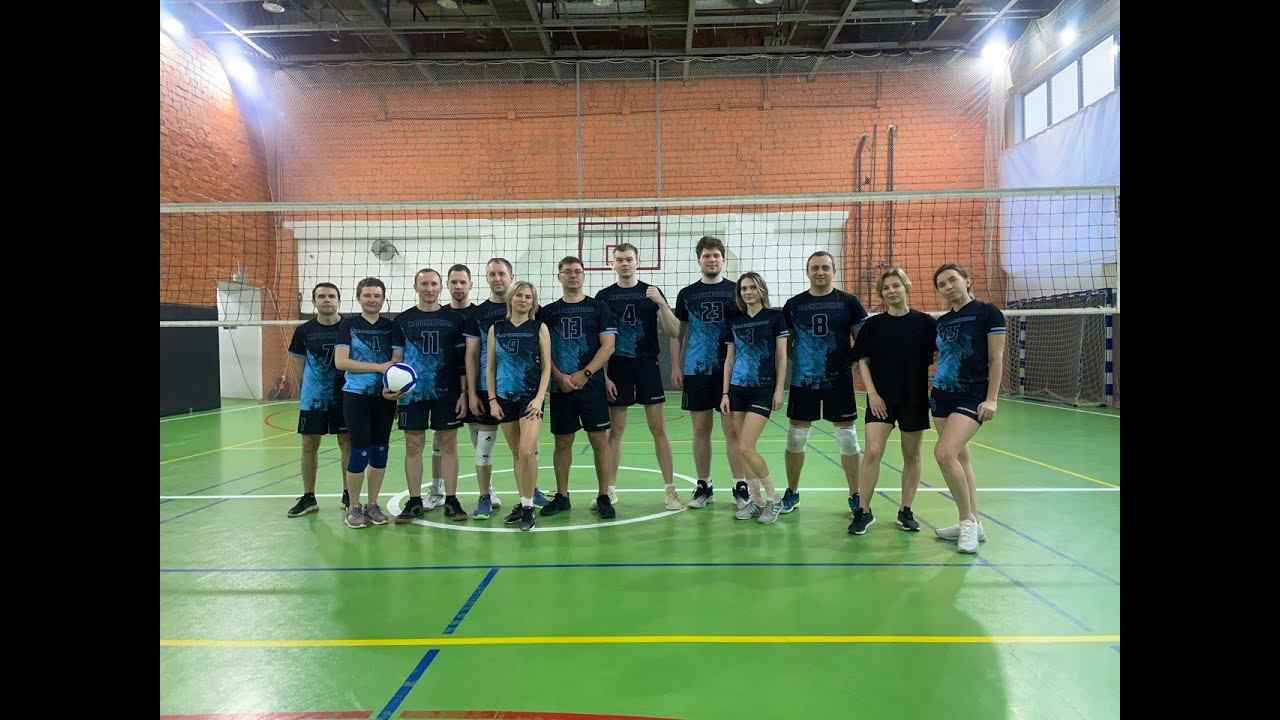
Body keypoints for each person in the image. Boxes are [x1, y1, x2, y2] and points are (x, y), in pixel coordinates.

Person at [847, 269, 937, 535]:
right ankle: (863, 510)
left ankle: (905, 510)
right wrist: (873, 394)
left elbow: (940, 355)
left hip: (914, 398)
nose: (891, 291)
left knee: (912, 455)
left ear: (906, 287)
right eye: (886, 288)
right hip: (881, 399)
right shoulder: (873, 325)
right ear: (881, 294)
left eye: (896, 285)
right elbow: (862, 361)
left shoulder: (925, 323)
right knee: (873, 451)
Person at [780, 251, 869, 517]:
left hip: (838, 380)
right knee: (796, 437)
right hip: (803, 380)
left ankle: (855, 494)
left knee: (848, 439)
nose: (820, 272)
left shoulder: (848, 302)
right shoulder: (794, 304)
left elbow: (862, 341)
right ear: (807, 272)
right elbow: (785, 345)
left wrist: (850, 365)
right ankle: (792, 492)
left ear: (834, 271)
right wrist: (801, 363)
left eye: (825, 268)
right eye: (815, 268)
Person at [597, 243, 683, 511]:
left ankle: (670, 490)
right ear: (612, 263)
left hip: (647, 365)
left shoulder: (651, 292)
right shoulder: (604, 296)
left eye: (629, 259)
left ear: (637, 262)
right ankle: (609, 491)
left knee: (658, 429)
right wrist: (604, 376)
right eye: (620, 259)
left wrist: (661, 303)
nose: (625, 263)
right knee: (615, 432)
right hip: (618, 367)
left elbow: (675, 331)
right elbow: (598, 340)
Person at [929, 263, 1007, 554]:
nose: (948, 287)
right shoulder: (942, 322)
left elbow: (996, 358)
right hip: (941, 395)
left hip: (972, 396)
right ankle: (975, 521)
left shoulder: (988, 313)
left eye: (953, 280)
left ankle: (966, 522)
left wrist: (992, 398)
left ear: (967, 280)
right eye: (942, 284)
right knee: (960, 457)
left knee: (943, 453)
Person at [463, 258, 548, 518]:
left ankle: (529, 495)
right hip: (491, 391)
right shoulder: (480, 315)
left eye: (502, 274)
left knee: (527, 449)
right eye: (493, 274)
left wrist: (540, 397)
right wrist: (474, 394)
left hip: (526, 392)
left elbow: (544, 361)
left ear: (511, 276)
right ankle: (485, 496)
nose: (497, 278)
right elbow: (472, 356)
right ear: (486, 278)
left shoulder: (535, 319)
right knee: (486, 446)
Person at [672, 236, 750, 510]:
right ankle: (704, 485)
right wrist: (675, 365)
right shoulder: (687, 293)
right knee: (700, 430)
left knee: (733, 431)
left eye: (716, 255)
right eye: (707, 255)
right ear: (699, 260)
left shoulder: (736, 290)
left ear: (723, 259)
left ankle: (740, 485)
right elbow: (677, 333)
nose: (712, 259)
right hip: (697, 369)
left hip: (731, 370)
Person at [540, 256, 619, 519]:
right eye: (567, 271)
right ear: (559, 276)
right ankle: (562, 496)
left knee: (599, 440)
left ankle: (604, 496)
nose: (573, 275)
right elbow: (542, 351)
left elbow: (608, 345)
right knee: (562, 441)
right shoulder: (547, 312)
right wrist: (559, 376)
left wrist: (586, 373)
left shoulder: (599, 307)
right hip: (560, 387)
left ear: (584, 275)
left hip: (591, 385)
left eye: (577, 271)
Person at [391, 268, 469, 523]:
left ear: (441, 287)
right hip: (412, 394)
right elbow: (397, 359)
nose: (429, 288)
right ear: (415, 287)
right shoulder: (402, 320)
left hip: (447, 391)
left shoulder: (454, 320)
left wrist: (464, 394)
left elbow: (461, 362)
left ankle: (451, 500)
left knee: (448, 445)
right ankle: (414, 501)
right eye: (424, 284)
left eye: (433, 284)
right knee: (413, 445)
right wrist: (393, 387)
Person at [719, 273, 789, 524]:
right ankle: (756, 501)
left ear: (761, 290)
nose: (747, 292)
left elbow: (782, 357)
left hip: (762, 389)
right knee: (742, 448)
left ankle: (774, 499)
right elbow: (729, 360)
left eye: (752, 288)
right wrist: (725, 393)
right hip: (737, 389)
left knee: (746, 447)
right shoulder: (735, 321)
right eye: (743, 289)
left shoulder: (775, 318)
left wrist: (779, 390)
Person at [334, 278, 402, 529]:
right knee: (360, 451)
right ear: (358, 298)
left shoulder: (391, 326)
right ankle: (354, 506)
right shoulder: (348, 325)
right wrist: (378, 367)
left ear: (383, 299)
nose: (372, 300)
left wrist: (393, 385)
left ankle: (372, 504)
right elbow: (341, 361)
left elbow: (396, 360)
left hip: (384, 397)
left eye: (377, 295)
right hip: (356, 395)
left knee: (380, 450)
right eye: (367, 295)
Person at [486, 281, 552, 531]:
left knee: (526, 451)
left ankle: (529, 506)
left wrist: (539, 398)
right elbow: (490, 368)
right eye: (519, 296)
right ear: (511, 299)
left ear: (533, 302)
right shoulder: (496, 328)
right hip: (504, 398)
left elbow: (546, 367)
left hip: (530, 398)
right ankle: (524, 502)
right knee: (516, 454)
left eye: (528, 297)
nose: (523, 300)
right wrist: (492, 400)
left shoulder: (539, 328)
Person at [285, 282, 353, 517]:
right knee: (308, 444)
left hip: (344, 396)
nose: (327, 300)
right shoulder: (304, 331)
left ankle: (348, 494)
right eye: (321, 296)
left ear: (339, 301)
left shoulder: (349, 327)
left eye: (331, 296)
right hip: (314, 398)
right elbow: (298, 366)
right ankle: (308, 497)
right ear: (314, 302)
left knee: (347, 443)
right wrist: (309, 390)